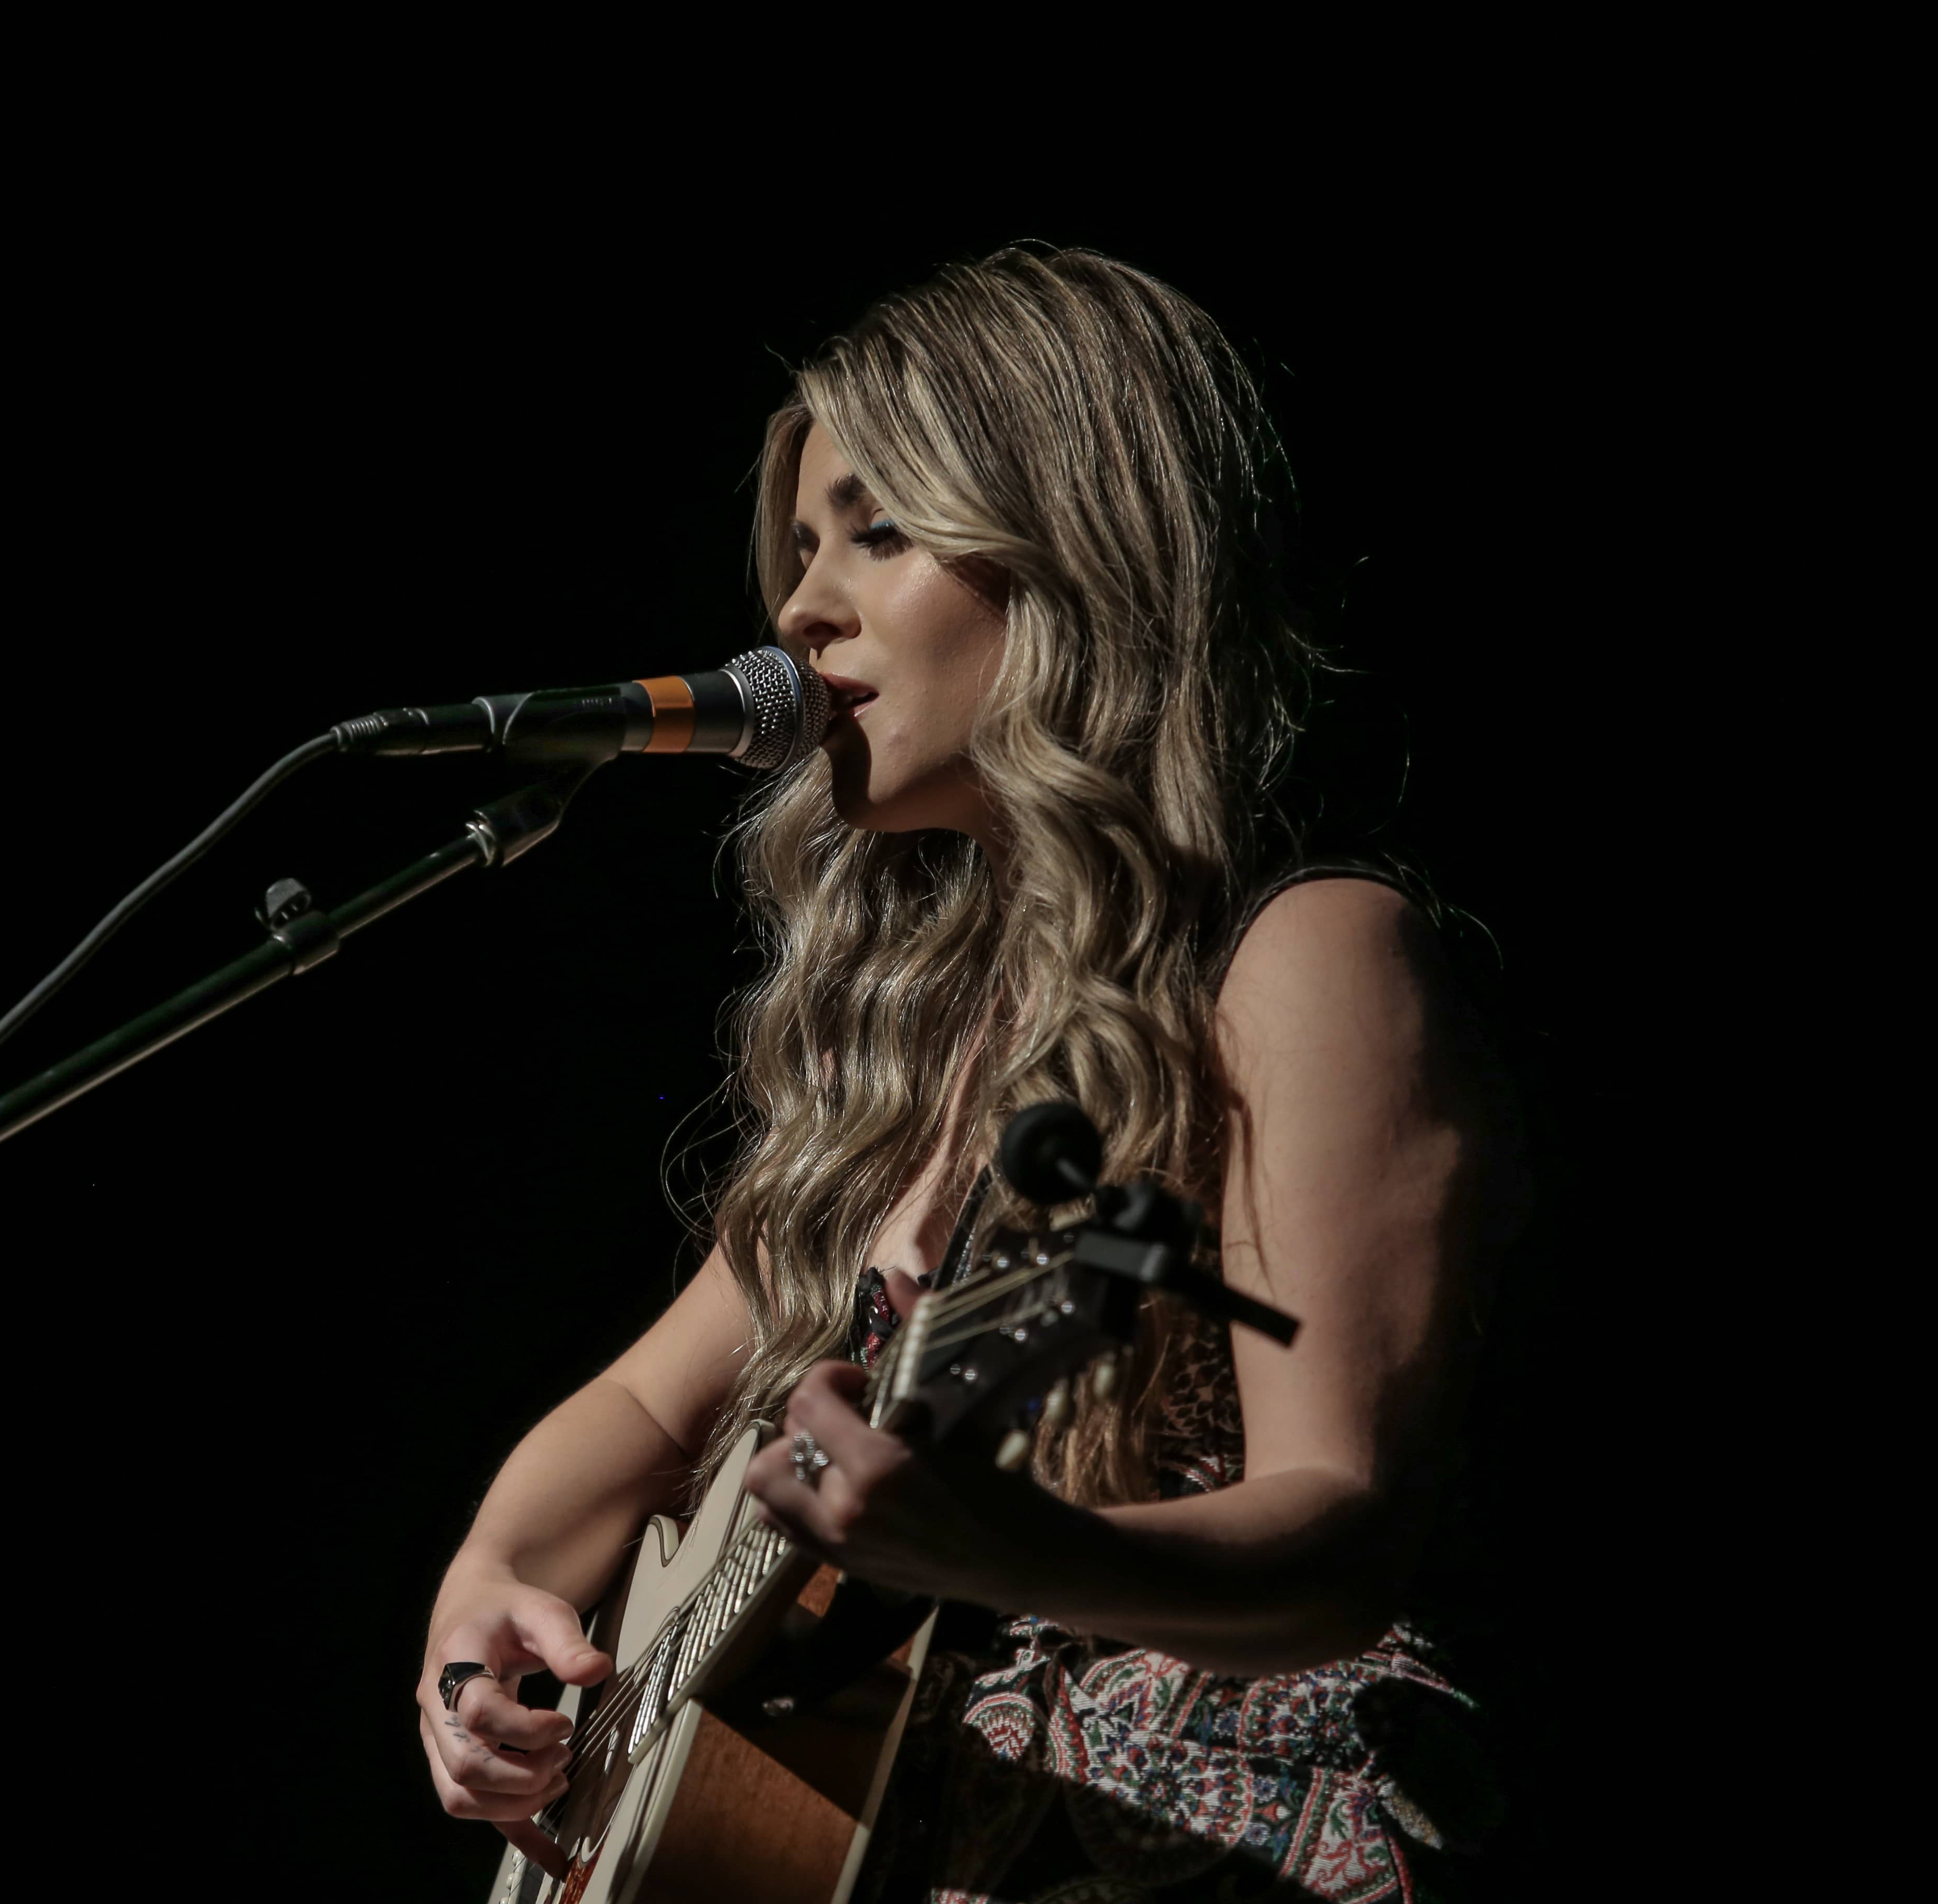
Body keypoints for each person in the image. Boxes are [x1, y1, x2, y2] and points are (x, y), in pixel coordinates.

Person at [417, 246, 1527, 1901]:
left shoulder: (1303, 957)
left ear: (1081, 553)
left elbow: (1343, 1528)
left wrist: (1012, 1552)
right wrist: (486, 1591)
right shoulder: (916, 1049)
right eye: (802, 549)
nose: (800, 610)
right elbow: (646, 1409)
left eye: (877, 531)